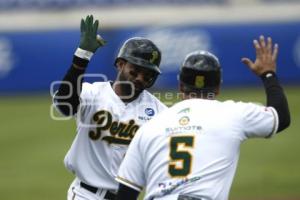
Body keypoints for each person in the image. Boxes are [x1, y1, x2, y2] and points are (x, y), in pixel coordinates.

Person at [115, 35, 290, 200]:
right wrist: (268, 74)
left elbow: (125, 193)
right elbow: (281, 117)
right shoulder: (233, 114)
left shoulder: (150, 125)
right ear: (218, 88)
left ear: (181, 86)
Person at [53, 15, 167, 200]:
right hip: (85, 194)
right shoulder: (93, 94)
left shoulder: (160, 112)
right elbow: (64, 106)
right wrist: (82, 56)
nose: (140, 78)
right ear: (120, 65)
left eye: (148, 75)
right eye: (135, 70)